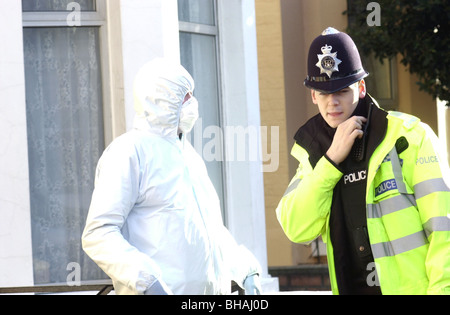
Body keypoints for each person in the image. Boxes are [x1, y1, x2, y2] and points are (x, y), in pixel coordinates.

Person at [276, 27, 450, 295]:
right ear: (313, 95)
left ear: (361, 87)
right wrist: (331, 161)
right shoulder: (314, 153)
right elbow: (296, 229)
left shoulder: (409, 138)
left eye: (342, 91)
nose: (332, 102)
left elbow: (444, 228)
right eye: (323, 93)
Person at [82, 59, 262, 295]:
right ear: (162, 101)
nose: (192, 103)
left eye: (190, 95)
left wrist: (244, 269)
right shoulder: (129, 152)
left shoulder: (189, 155)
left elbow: (210, 232)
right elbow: (99, 233)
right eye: (184, 96)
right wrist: (147, 281)